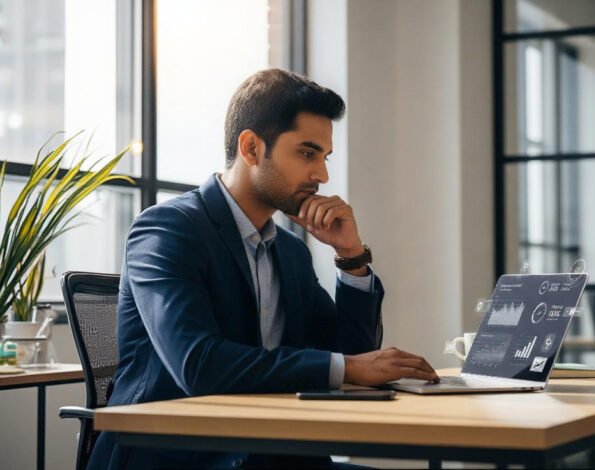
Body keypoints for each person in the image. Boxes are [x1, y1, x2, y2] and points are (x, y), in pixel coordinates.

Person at [88, 69, 439, 470]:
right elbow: (199, 365)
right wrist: (352, 367)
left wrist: (351, 257)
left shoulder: (289, 251)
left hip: (276, 452)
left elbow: (354, 356)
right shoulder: (167, 230)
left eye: (324, 158)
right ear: (251, 147)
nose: (322, 176)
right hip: (182, 456)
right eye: (307, 153)